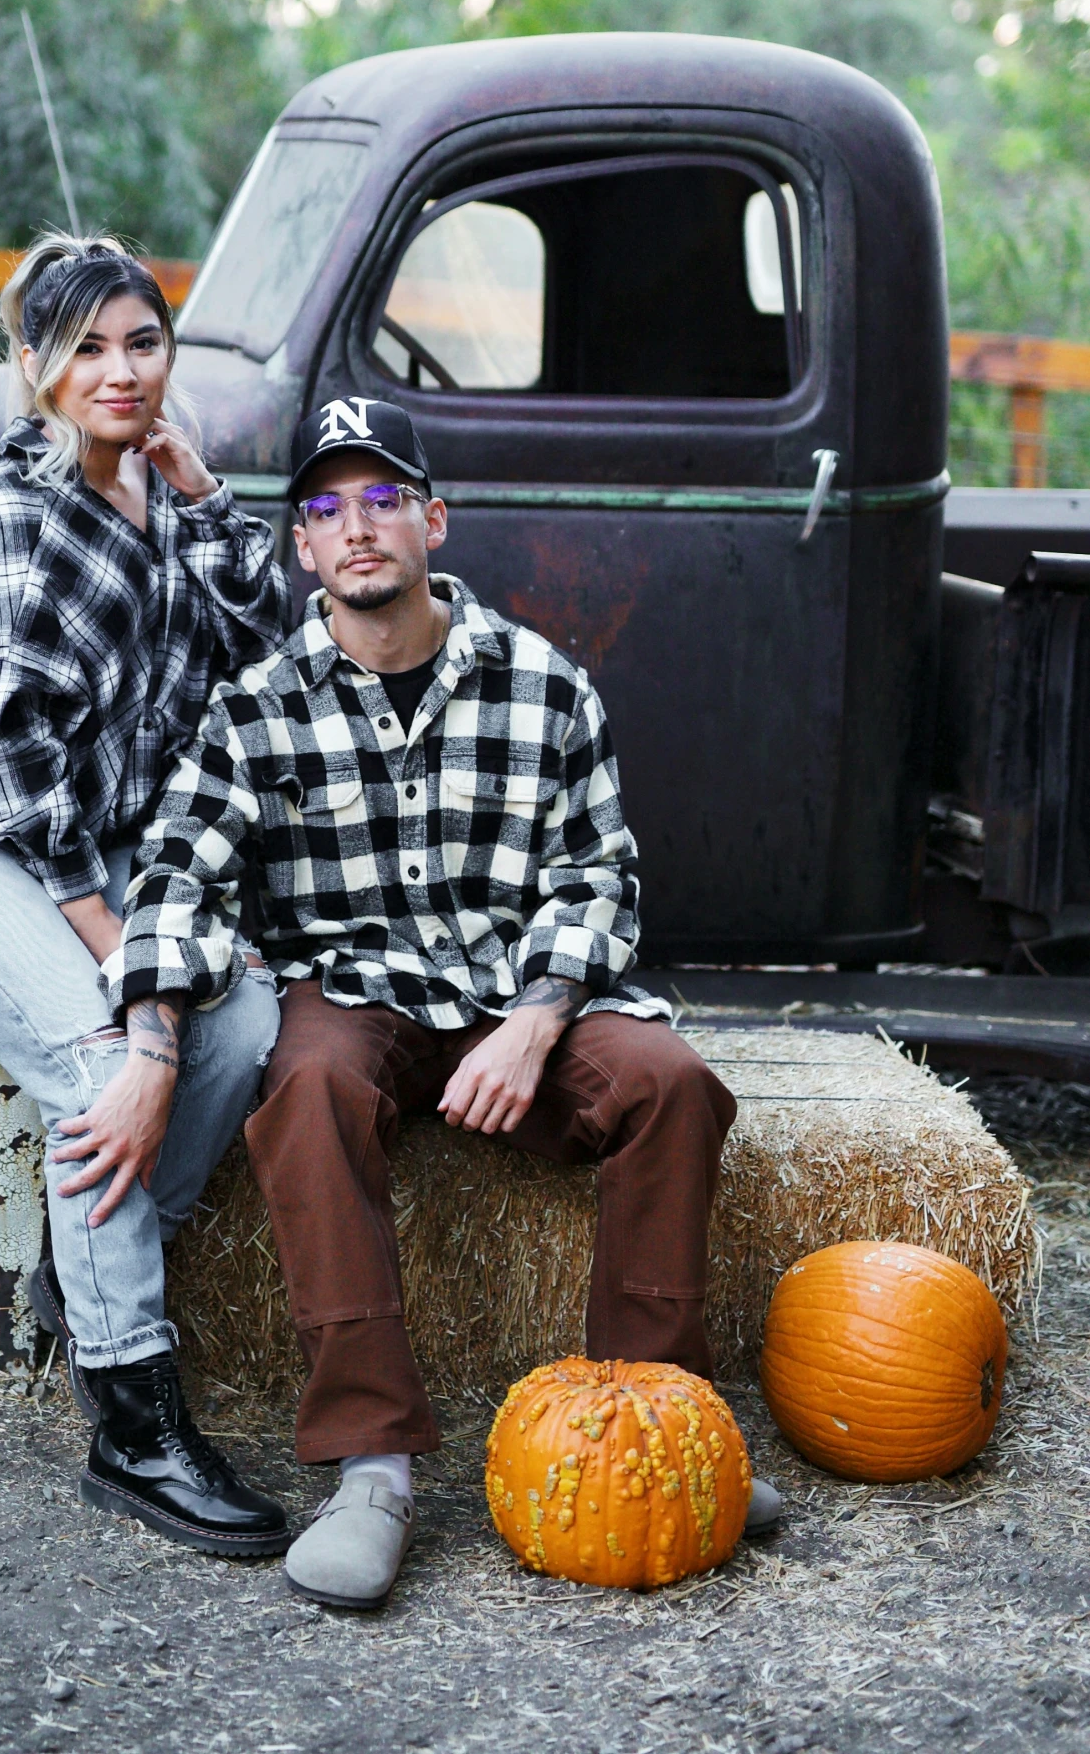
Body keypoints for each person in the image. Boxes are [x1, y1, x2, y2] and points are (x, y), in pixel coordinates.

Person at [110, 394, 782, 1606]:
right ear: (303, 550)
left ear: (434, 520)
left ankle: (663, 1427)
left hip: (510, 991)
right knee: (303, 1084)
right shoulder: (257, 708)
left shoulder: (543, 685)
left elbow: (599, 874)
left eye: (381, 500)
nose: (356, 527)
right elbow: (174, 877)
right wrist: (153, 1039)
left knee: (672, 1084)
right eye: (325, 508)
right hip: (356, 997)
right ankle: (373, 1470)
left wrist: (535, 1020)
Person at [0, 233, 291, 1559]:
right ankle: (135, 1426)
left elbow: (270, 661)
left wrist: (200, 487)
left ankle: (77, 1271)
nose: (120, 371)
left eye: (142, 340)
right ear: (32, 366)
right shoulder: (18, 517)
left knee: (248, 1025)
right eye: (83, 347)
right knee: (109, 1063)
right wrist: (128, 965)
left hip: (104, 849)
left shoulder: (161, 501)